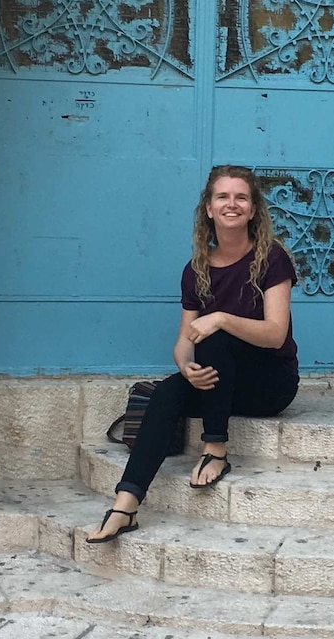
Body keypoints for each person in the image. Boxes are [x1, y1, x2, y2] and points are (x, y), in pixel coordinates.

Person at [86, 164, 299, 543]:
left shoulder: (272, 258)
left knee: (216, 335)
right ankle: (126, 503)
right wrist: (186, 369)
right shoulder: (196, 269)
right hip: (219, 382)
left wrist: (220, 318)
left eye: (240, 198)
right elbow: (184, 341)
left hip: (269, 384)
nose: (231, 204)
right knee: (168, 390)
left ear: (253, 210)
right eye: (222, 197)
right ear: (209, 208)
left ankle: (215, 446)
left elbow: (275, 335)